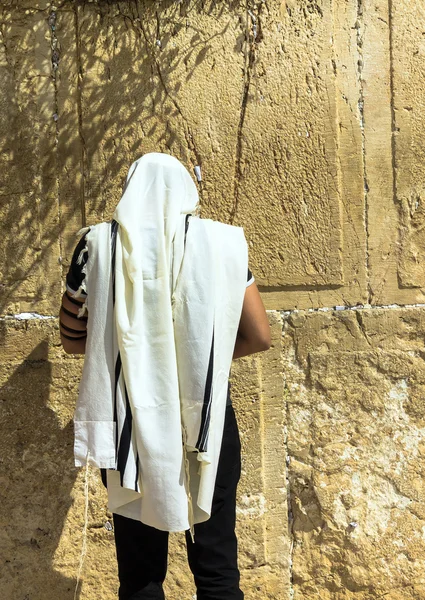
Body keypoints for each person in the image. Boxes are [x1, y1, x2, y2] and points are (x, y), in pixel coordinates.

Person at [59, 153, 271, 600]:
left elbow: (72, 338)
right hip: (206, 423)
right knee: (217, 568)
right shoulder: (224, 245)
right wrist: (198, 366)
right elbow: (258, 336)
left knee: (140, 574)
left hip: (128, 428)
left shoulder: (96, 245)